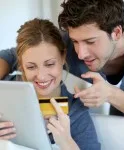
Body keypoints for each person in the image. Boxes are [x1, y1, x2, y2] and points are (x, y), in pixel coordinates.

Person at [0, 0, 124, 119]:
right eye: (75, 42)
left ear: (116, 33)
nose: (81, 54)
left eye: (90, 42)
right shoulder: (69, 40)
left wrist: (111, 94)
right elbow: (13, 56)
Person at [0, 18, 100, 150]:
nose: (41, 76)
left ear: (63, 57)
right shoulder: (5, 92)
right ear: (21, 65)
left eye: (50, 64)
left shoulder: (76, 110)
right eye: (31, 67)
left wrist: (66, 141)